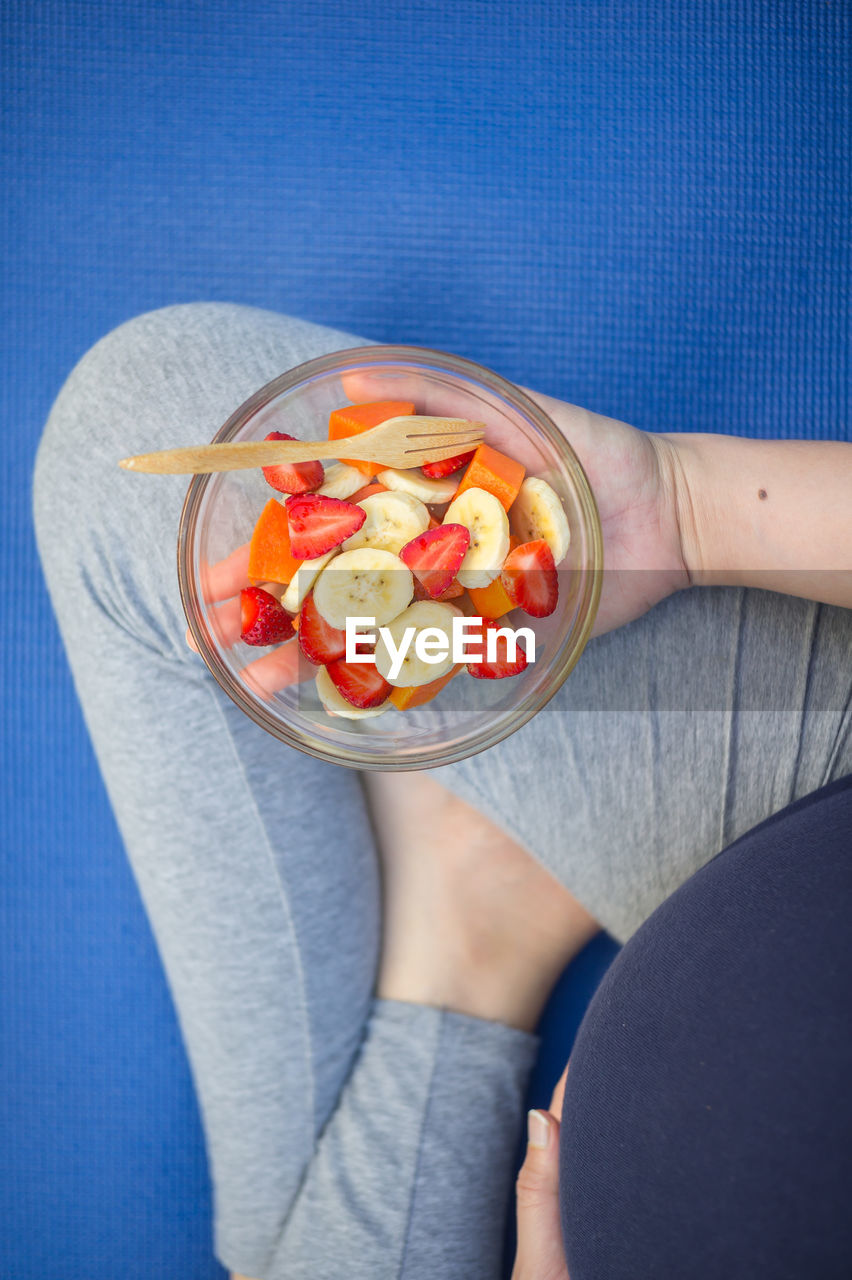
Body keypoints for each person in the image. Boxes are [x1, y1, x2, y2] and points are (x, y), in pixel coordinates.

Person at [33, 303, 851, 1279]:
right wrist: (683, 509)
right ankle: (471, 936)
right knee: (140, 412)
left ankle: (463, 962)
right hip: (812, 801)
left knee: (276, 1252)